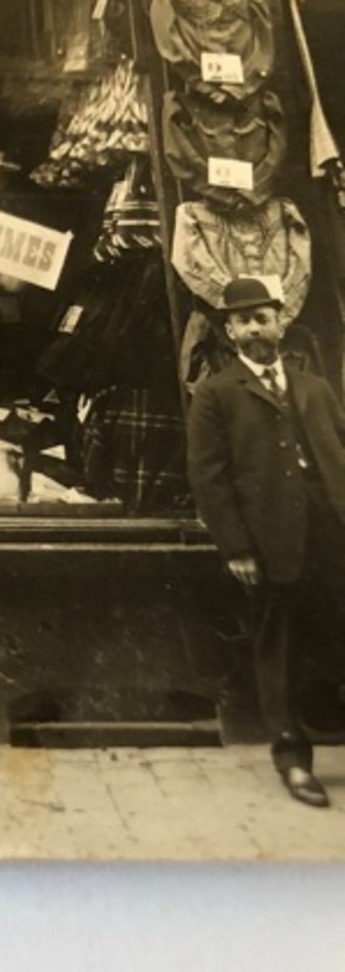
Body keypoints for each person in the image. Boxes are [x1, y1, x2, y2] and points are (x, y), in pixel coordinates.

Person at [187, 276, 345, 808]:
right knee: (280, 647)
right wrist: (236, 548)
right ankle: (294, 760)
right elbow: (210, 478)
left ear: (282, 322)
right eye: (243, 320)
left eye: (263, 317)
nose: (256, 328)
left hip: (332, 531)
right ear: (229, 331)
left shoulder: (315, 388)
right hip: (272, 538)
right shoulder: (215, 395)